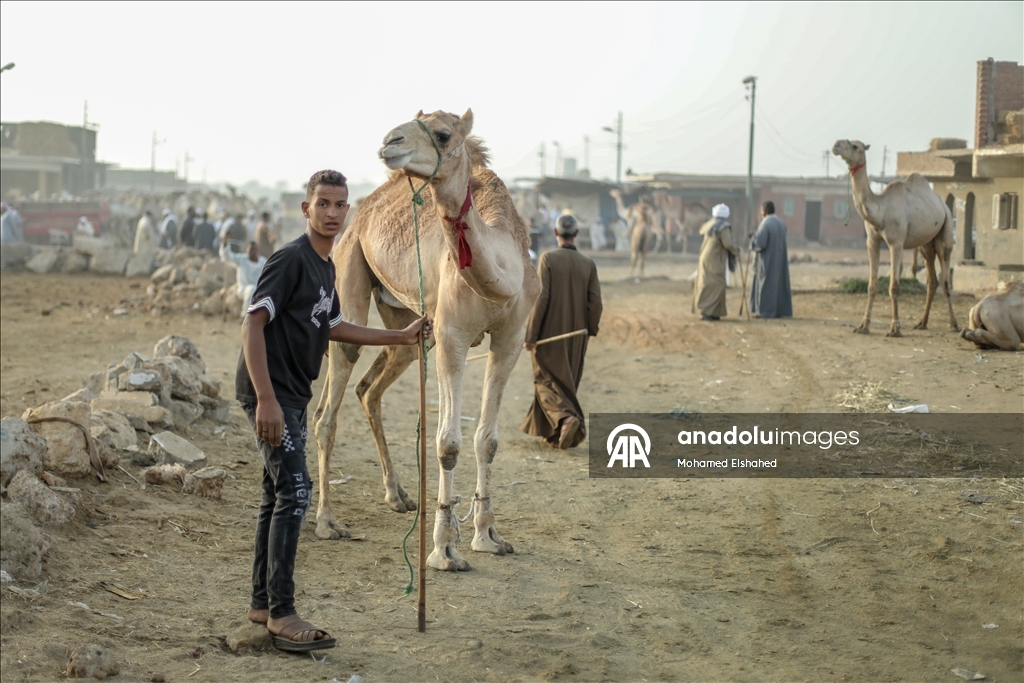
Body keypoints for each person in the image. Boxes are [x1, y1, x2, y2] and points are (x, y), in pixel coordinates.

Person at [236, 169, 430, 652]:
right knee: (297, 491)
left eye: (339, 205)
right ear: (306, 209)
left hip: (294, 394)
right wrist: (265, 398)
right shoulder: (292, 260)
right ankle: (282, 612)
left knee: (275, 494)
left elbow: (337, 326)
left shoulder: (326, 268)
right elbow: (252, 325)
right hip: (272, 392)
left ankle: (262, 603)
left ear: (348, 212)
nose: (331, 213)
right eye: (322, 204)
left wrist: (400, 336)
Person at [520, 214, 603, 449]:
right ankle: (554, 434)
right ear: (576, 234)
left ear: (556, 234)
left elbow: (542, 297)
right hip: (577, 334)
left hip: (549, 334)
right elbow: (595, 301)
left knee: (545, 379)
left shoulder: (547, 259)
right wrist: (590, 329)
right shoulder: (588, 264)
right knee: (567, 381)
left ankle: (566, 419)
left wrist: (532, 335)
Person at [693, 203, 739, 321]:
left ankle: (712, 311)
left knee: (705, 283)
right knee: (716, 284)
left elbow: (701, 232)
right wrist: (736, 250)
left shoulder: (709, 224)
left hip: (704, 257)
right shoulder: (723, 227)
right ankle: (707, 311)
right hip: (715, 259)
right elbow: (728, 243)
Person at [749, 200, 793, 318]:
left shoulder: (766, 224)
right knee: (778, 285)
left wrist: (752, 238)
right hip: (779, 261)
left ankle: (764, 312)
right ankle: (779, 311)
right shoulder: (781, 223)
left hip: (767, 261)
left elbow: (760, 244)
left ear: (764, 211)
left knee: (766, 286)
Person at [221, 237, 267, 318]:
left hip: (259, 289)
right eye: (251, 249)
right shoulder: (241, 259)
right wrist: (225, 244)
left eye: (254, 249)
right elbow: (227, 257)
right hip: (244, 288)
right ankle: (245, 316)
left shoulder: (263, 261)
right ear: (247, 250)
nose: (253, 251)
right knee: (251, 290)